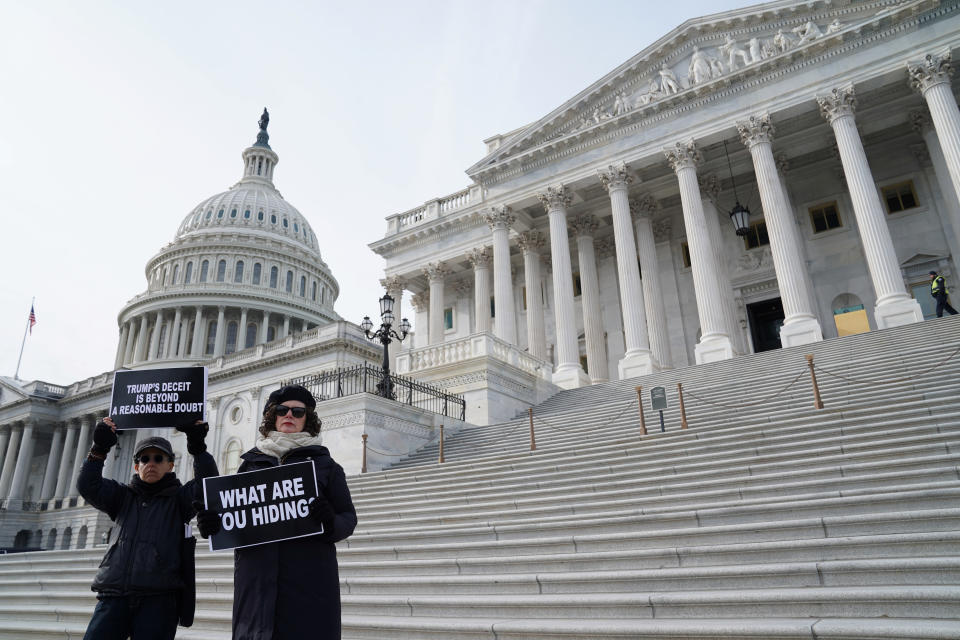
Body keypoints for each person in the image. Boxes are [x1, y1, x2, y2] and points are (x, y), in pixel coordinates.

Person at [196, 384, 357, 640]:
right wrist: (214, 524)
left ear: (309, 419)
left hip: (308, 580)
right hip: (256, 582)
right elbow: (234, 514)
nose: (289, 415)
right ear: (273, 416)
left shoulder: (326, 466)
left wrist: (328, 520)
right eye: (282, 410)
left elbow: (348, 519)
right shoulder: (250, 464)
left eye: (298, 411)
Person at [78, 417, 218, 640]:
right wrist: (99, 449)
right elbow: (88, 485)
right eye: (144, 458)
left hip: (159, 600)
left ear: (170, 465)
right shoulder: (122, 497)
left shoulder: (180, 500)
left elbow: (208, 485)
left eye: (158, 458)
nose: (150, 463)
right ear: (137, 465)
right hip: (115, 596)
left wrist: (198, 448)